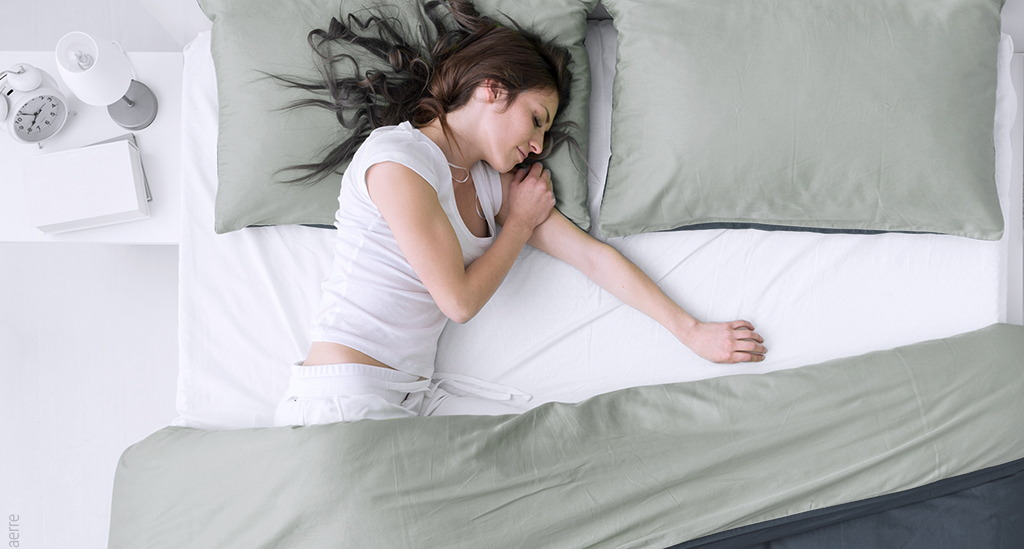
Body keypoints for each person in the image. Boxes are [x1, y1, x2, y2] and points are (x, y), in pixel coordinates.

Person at [272, 0, 766, 426]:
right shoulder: (398, 158)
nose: (536, 145)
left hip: (404, 401)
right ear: (492, 89)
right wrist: (519, 224)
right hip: (342, 397)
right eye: (535, 120)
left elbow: (593, 259)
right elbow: (458, 301)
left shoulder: (492, 186)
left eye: (545, 135)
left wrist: (690, 331)